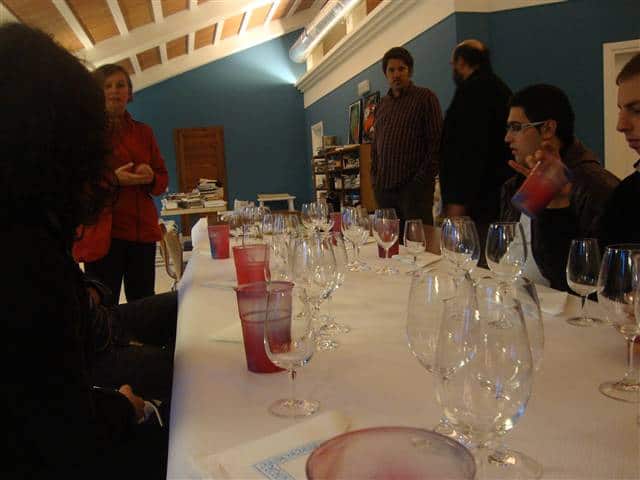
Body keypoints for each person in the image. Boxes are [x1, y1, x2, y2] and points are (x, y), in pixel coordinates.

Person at [2, 23, 167, 477]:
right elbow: (54, 422)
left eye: (120, 86)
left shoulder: (29, 230)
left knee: (167, 306)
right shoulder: (27, 255)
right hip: (68, 441)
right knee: (193, 379)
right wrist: (123, 407)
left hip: (129, 247)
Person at [500, 84, 619, 291]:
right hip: (514, 293)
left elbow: (595, 280)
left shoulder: (596, 187)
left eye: (516, 127)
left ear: (548, 129)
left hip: (560, 304)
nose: (507, 138)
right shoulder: (515, 184)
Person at [82, 64, 169, 303]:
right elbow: (77, 183)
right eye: (107, 86)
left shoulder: (144, 132)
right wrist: (114, 179)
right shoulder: (86, 135)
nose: (114, 91)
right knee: (102, 306)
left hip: (141, 231)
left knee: (143, 304)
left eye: (120, 85)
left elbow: (162, 180)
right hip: (103, 233)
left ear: (129, 92)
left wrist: (151, 177)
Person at [439, 39, 513, 266]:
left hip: (476, 202)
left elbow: (466, 151)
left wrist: (456, 201)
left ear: (461, 62)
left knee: (473, 264)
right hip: (501, 196)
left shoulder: (470, 93)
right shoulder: (501, 89)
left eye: (453, 64)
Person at [370, 47, 442, 234]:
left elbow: (437, 144)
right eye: (391, 70)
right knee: (389, 244)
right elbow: (375, 148)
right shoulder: (382, 106)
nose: (396, 74)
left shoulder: (425, 98)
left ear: (410, 71)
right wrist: (375, 180)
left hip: (414, 192)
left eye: (401, 69)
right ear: (385, 74)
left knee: (419, 245)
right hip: (385, 192)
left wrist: (419, 182)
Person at [597, 53, 640, 246]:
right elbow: (592, 263)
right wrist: (557, 202)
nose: (621, 125)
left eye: (637, 110)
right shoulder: (627, 195)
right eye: (620, 109)